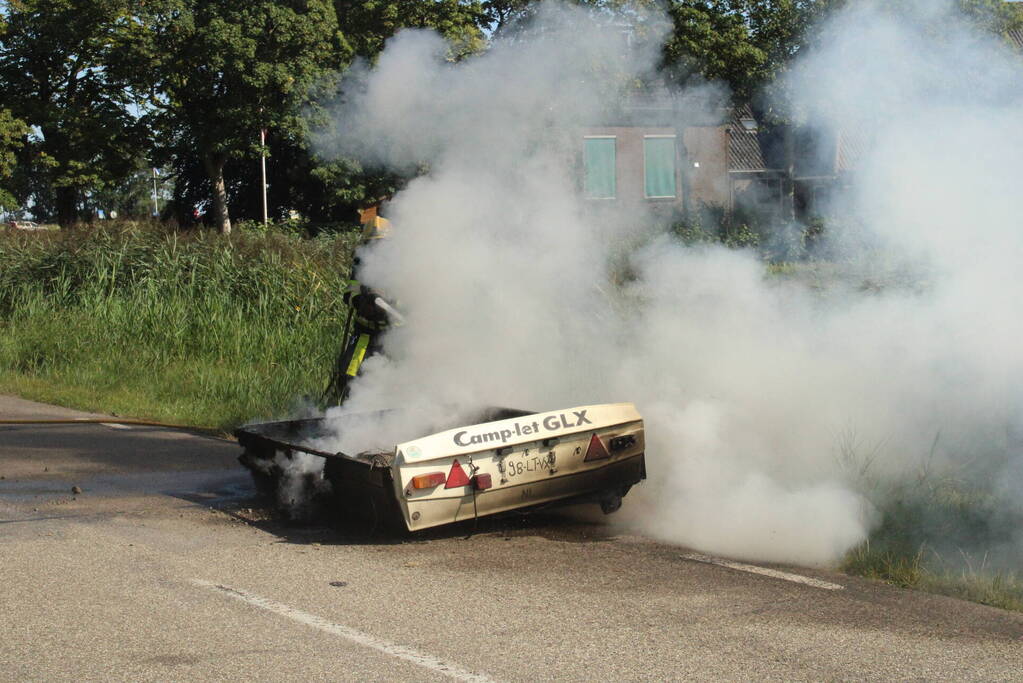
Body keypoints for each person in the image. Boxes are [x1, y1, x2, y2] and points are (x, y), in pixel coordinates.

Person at [323, 212, 401, 405]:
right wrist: (361, 303)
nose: (376, 248)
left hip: (395, 335)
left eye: (381, 243)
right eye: (372, 243)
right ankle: (346, 413)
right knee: (348, 374)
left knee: (397, 379)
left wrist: (388, 302)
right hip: (364, 331)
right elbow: (349, 294)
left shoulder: (403, 264)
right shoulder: (360, 263)